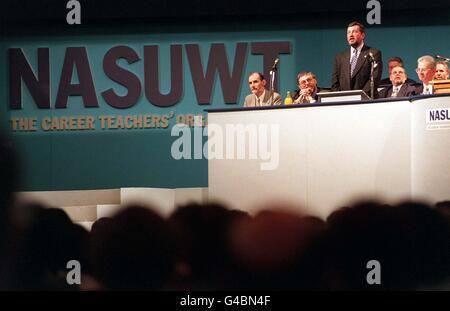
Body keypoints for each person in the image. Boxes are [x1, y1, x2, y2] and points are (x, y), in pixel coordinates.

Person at [331, 21, 383, 98]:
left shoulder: (373, 53)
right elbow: (335, 83)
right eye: (348, 32)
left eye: (354, 32)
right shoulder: (340, 57)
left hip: (365, 101)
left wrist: (358, 97)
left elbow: (374, 79)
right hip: (343, 102)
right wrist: (341, 97)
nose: (351, 35)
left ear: (362, 35)